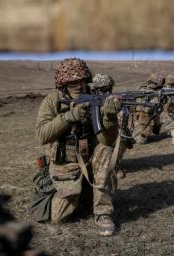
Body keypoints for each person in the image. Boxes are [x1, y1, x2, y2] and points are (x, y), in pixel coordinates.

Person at [33, 58, 121, 236]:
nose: (79, 85)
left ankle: (103, 213)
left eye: (82, 80)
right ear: (63, 83)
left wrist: (110, 118)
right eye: (73, 82)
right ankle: (80, 197)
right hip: (66, 165)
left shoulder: (97, 97)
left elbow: (107, 140)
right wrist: (68, 117)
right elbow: (41, 135)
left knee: (106, 150)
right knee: (59, 216)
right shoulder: (52, 101)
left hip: (92, 161)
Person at [89, 73, 135, 179]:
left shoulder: (112, 101)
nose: (108, 93)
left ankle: (113, 164)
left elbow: (122, 122)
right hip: (90, 138)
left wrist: (117, 112)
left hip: (106, 135)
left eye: (109, 89)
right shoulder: (89, 101)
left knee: (122, 135)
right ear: (94, 90)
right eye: (103, 90)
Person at [129, 73, 165, 144]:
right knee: (140, 140)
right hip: (140, 118)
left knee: (160, 112)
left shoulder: (156, 92)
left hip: (148, 117)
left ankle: (154, 129)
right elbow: (146, 110)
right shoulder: (142, 92)